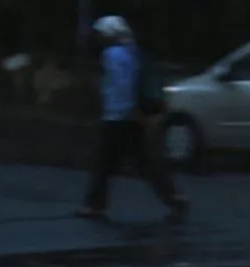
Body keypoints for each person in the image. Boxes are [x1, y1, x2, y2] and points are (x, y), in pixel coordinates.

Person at [74, 15, 187, 223]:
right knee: (143, 163)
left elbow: (120, 87)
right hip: (129, 117)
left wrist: (126, 110)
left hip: (118, 117)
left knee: (104, 163)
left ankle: (94, 205)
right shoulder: (132, 51)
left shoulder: (112, 55)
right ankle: (173, 197)